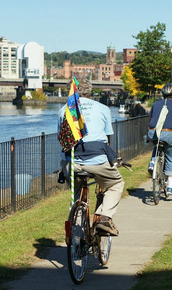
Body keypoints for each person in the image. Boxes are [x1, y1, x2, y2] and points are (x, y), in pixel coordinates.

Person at [58, 76, 125, 236]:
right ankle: (104, 218)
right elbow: (107, 140)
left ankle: (75, 228)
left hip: (71, 160)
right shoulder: (102, 108)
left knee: (76, 193)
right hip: (97, 158)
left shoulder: (64, 110)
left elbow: (62, 140)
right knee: (115, 184)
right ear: (90, 91)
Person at [147, 83, 172, 195]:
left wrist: (149, 136)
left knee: (156, 143)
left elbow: (150, 121)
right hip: (168, 133)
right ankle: (169, 187)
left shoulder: (155, 104)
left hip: (153, 132)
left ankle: (152, 162)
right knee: (170, 157)